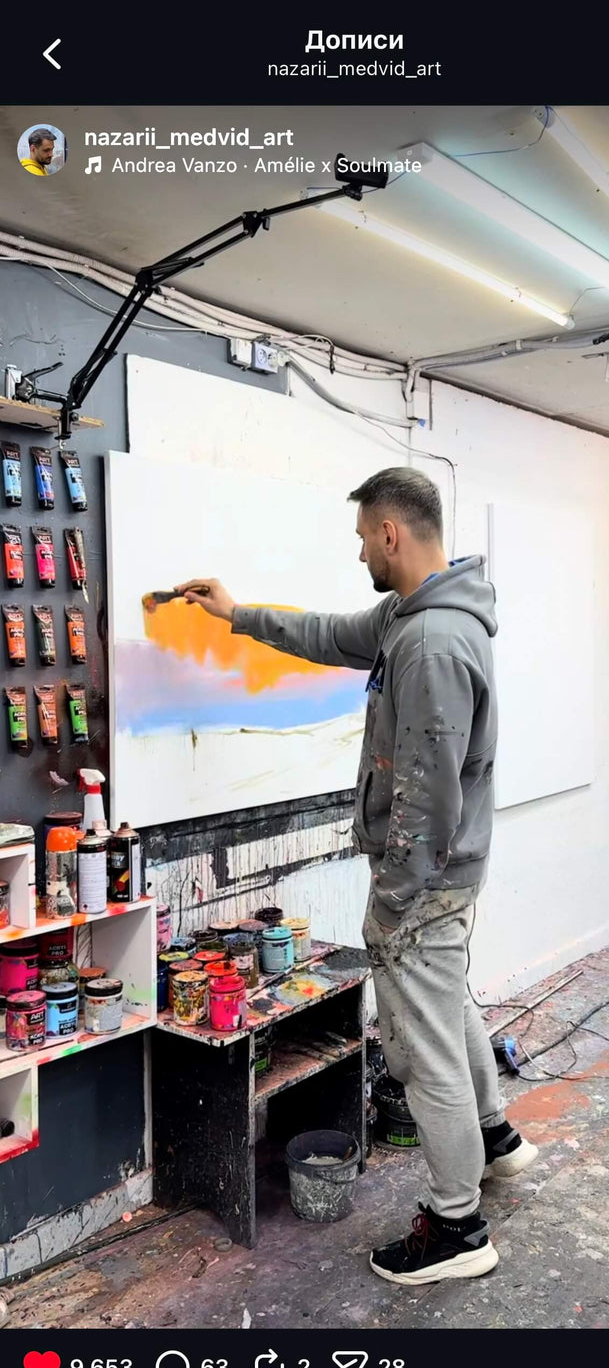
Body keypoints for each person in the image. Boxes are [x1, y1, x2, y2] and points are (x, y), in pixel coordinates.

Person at [176, 466, 538, 1286]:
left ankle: (457, 1226)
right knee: (449, 1009)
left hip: (424, 883)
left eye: (362, 538)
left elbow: (426, 800)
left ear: (390, 533)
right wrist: (238, 614)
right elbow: (331, 634)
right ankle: (494, 1136)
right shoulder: (415, 614)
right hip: (447, 877)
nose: (359, 554)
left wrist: (391, 906)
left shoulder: (432, 644)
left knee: (421, 1050)